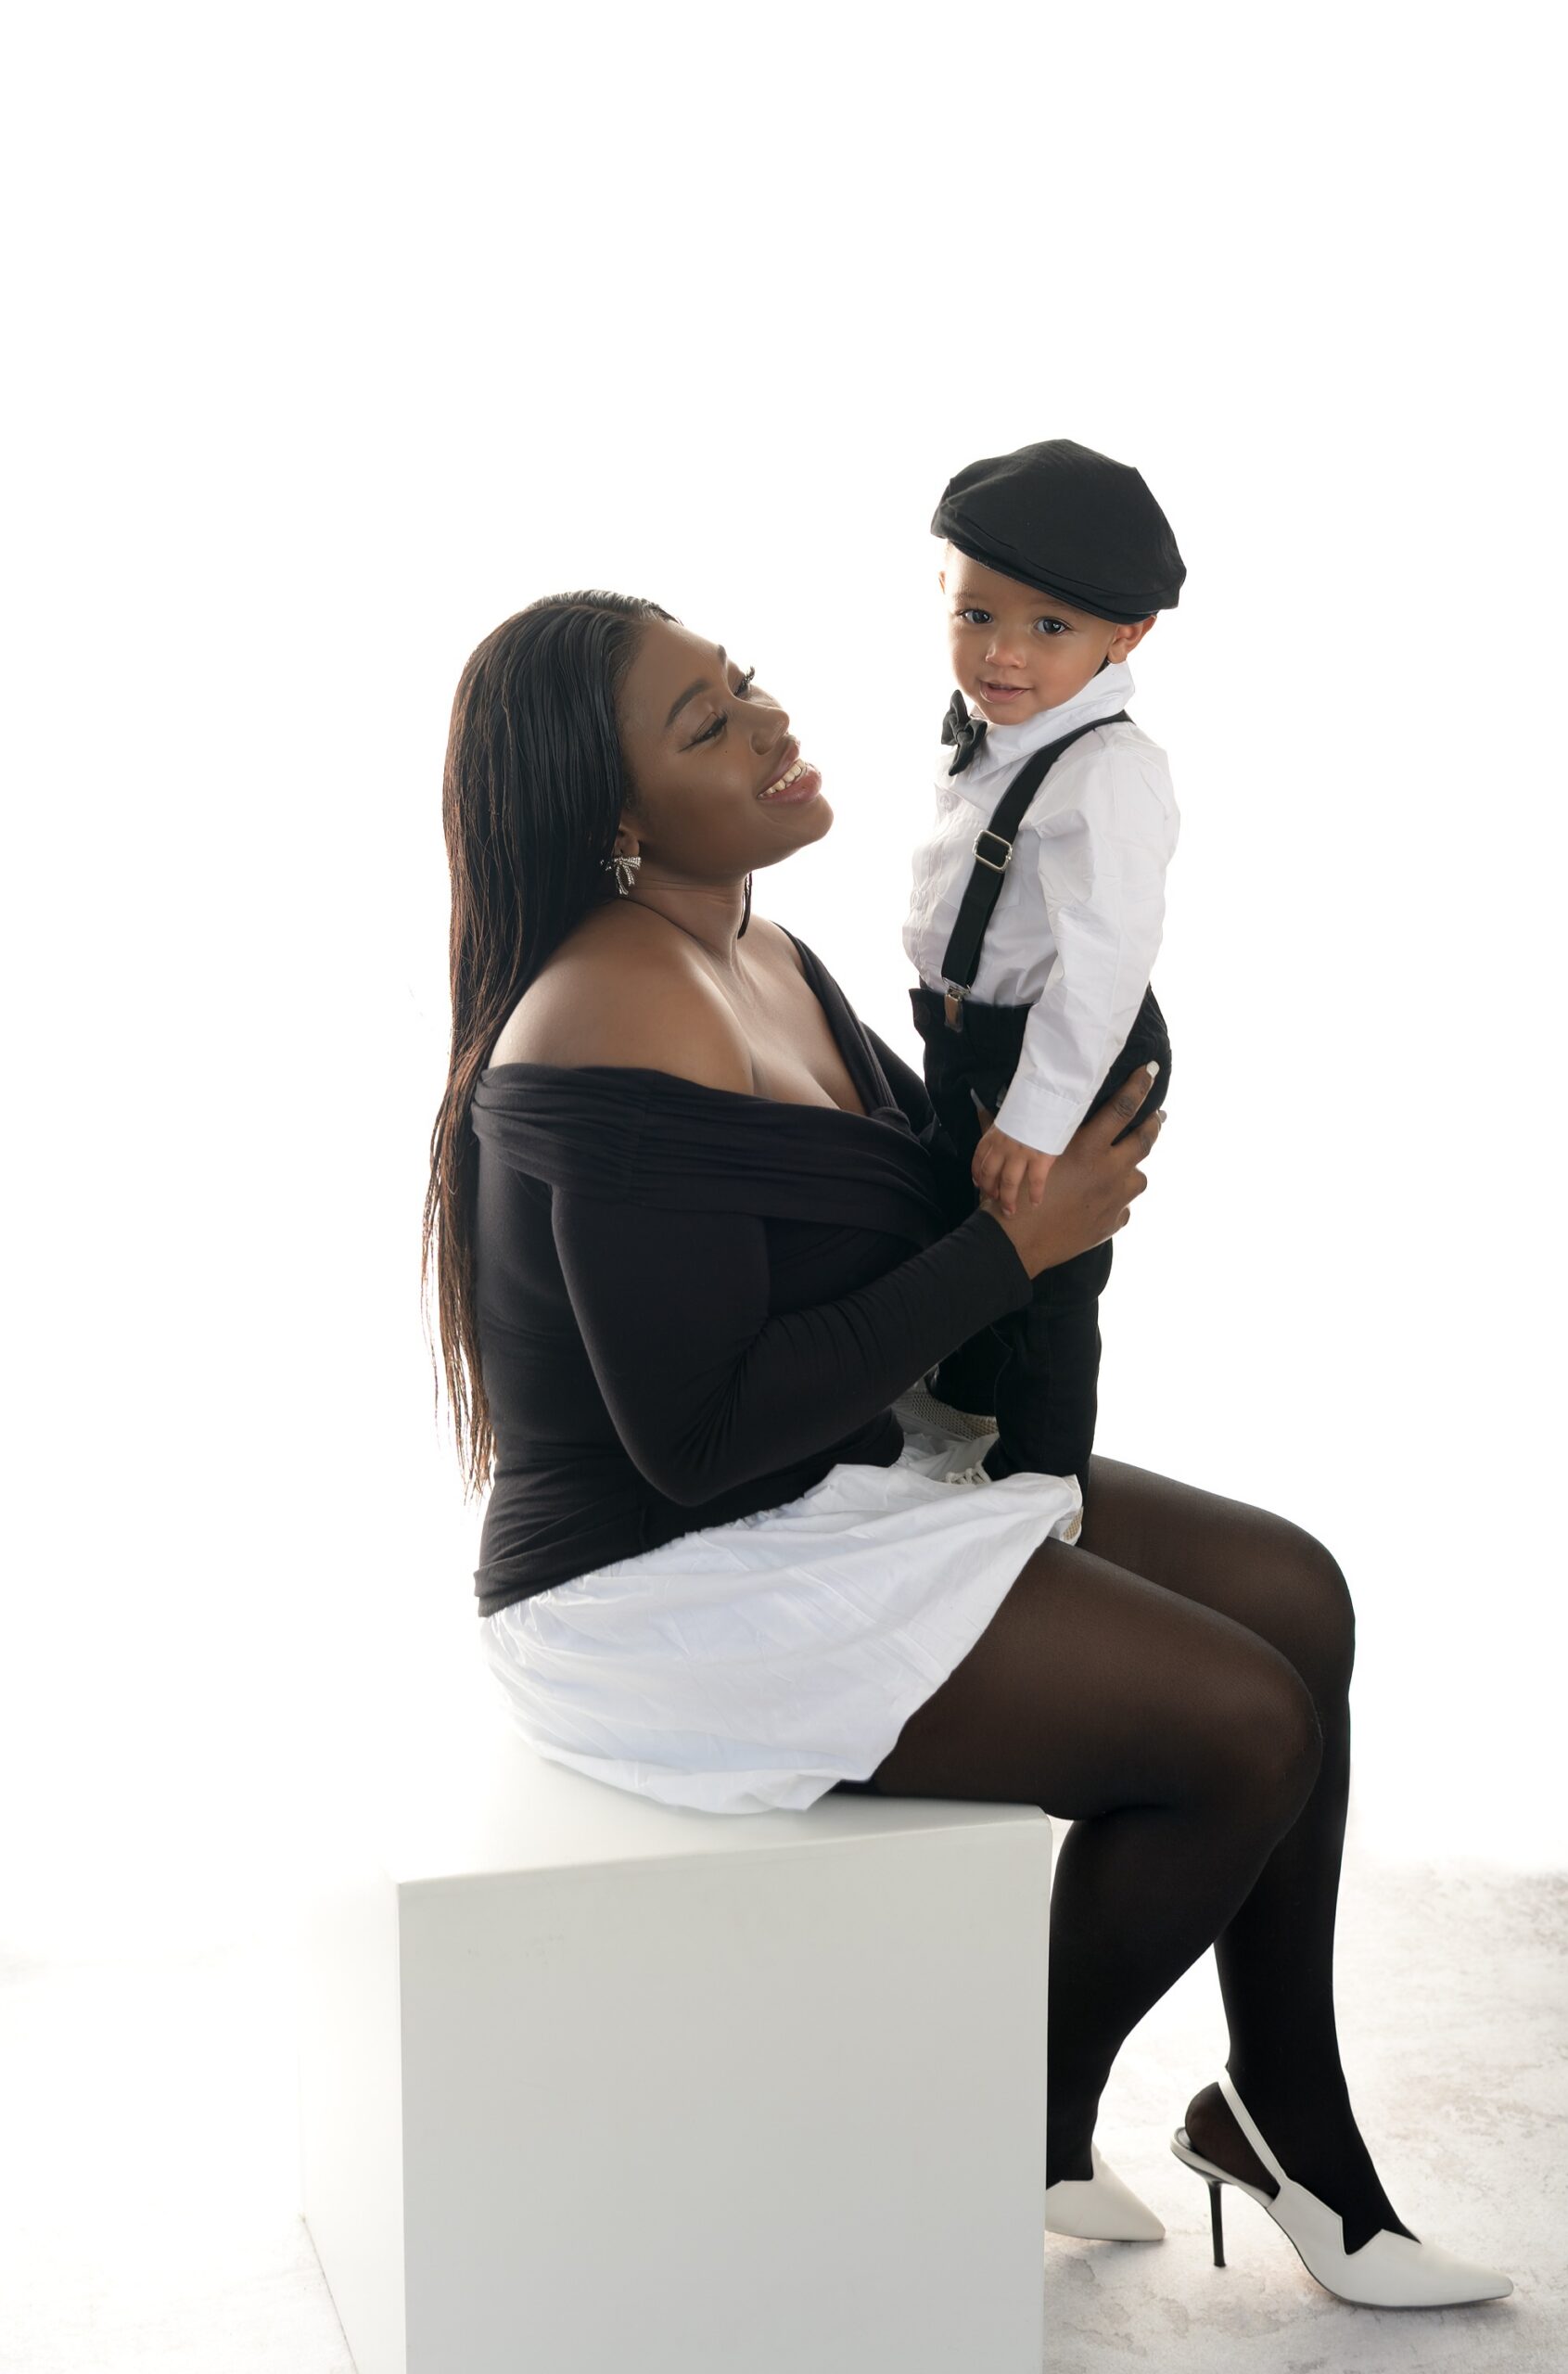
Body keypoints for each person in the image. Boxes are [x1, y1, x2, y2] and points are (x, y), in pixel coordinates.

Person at [421, 590, 1512, 2314]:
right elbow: (694, 1442)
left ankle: (1283, 2120)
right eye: (705, 727)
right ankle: (998, 2123)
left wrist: (1053, 1075)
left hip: (829, 1487)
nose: (769, 726)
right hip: (661, 1585)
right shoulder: (612, 1012)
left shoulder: (762, 955)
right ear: (614, 821)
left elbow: (912, 1219)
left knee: (1296, 1593)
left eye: (744, 685)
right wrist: (1010, 1246)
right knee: (1243, 1724)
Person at [905, 438, 1180, 1499]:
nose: (1002, 655)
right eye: (976, 614)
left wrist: (1038, 1113)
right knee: (968, 1217)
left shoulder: (1107, 773)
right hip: (971, 1032)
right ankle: (966, 1397)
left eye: (1048, 628)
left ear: (1127, 635)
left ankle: (1041, 1479)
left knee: (1052, 1267)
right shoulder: (993, 733)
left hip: (1065, 1045)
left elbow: (1106, 966)